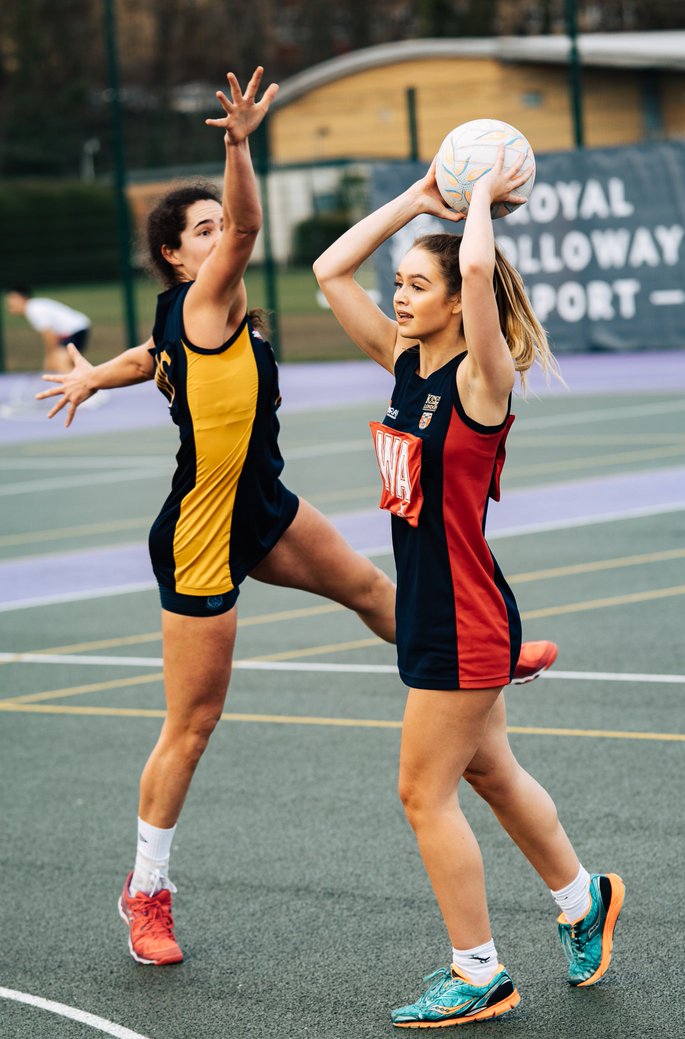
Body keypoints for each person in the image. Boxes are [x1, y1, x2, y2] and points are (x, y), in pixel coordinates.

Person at [37, 68, 558, 970]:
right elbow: (246, 227)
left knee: (367, 586)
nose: (222, 237)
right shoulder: (207, 294)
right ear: (178, 259)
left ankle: (484, 656)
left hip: (263, 505)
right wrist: (237, 149)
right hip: (201, 528)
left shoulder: (201, 317)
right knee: (192, 725)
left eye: (216, 224)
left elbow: (150, 351)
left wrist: (94, 374)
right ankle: (146, 889)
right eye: (198, 232)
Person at [313, 150, 624, 1027]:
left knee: (422, 792)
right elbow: (329, 269)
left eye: (417, 285)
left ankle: (477, 970)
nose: (400, 296)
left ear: (458, 304)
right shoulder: (407, 366)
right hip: (430, 606)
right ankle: (582, 901)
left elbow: (480, 262)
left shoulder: (482, 381)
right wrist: (415, 198)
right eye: (401, 283)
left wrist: (479, 192)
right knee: (489, 772)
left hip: (464, 615)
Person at [6, 286, 92, 374]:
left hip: (74, 330)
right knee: (65, 362)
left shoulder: (33, 310)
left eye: (12, 302)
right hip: (76, 329)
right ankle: (80, 382)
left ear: (20, 298)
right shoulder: (35, 307)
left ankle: (78, 385)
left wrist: (49, 358)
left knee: (60, 361)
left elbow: (49, 336)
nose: (10, 307)